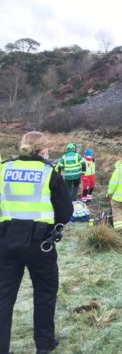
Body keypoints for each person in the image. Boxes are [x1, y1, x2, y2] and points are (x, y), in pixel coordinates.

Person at [0, 131, 73, 354]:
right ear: (42, 150)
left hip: (5, 239)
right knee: (44, 292)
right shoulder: (49, 172)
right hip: (40, 242)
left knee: (3, 295)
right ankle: (44, 344)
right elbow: (65, 211)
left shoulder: (4, 168)